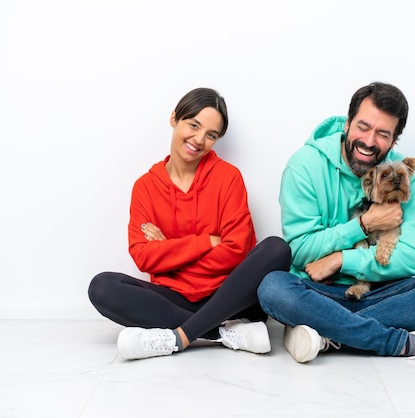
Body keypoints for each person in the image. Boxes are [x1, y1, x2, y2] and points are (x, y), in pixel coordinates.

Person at [257, 82, 415, 363]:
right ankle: (403, 343)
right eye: (363, 127)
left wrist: (340, 260)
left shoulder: (402, 175)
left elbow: (414, 257)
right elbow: (302, 251)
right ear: (347, 123)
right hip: (318, 291)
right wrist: (364, 224)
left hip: (381, 291)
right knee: (272, 287)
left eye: (382, 134)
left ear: (394, 142)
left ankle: (326, 333)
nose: (369, 141)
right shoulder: (304, 166)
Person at [88, 87, 291, 360]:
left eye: (211, 135)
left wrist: (168, 250)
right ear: (174, 118)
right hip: (174, 297)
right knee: (101, 287)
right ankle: (222, 334)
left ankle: (179, 336)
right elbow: (143, 256)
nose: (198, 140)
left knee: (277, 248)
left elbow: (237, 251)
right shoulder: (145, 187)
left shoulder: (228, 178)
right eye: (193, 125)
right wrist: (205, 242)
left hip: (229, 297)